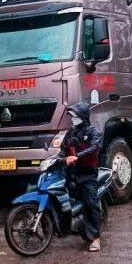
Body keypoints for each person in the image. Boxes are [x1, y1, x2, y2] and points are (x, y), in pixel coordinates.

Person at [58, 102, 103, 252]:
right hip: (72, 173)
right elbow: (63, 149)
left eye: (75, 116)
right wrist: (58, 158)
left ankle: (96, 239)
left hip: (88, 174)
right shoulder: (71, 132)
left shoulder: (92, 131)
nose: (73, 119)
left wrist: (77, 156)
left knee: (91, 203)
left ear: (82, 116)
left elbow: (94, 147)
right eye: (72, 116)